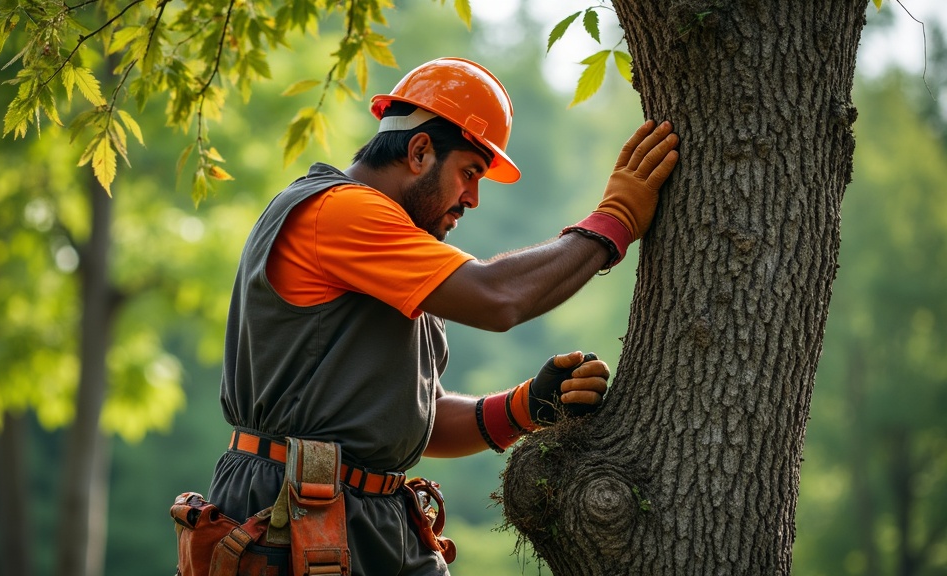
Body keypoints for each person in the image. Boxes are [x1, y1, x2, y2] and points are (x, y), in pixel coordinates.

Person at [206, 57, 679, 574]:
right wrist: (616, 220)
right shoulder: (339, 211)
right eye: (469, 172)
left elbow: (411, 422)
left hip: (370, 514)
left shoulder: (396, 254)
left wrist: (524, 407)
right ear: (419, 151)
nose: (472, 198)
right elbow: (498, 297)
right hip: (290, 511)